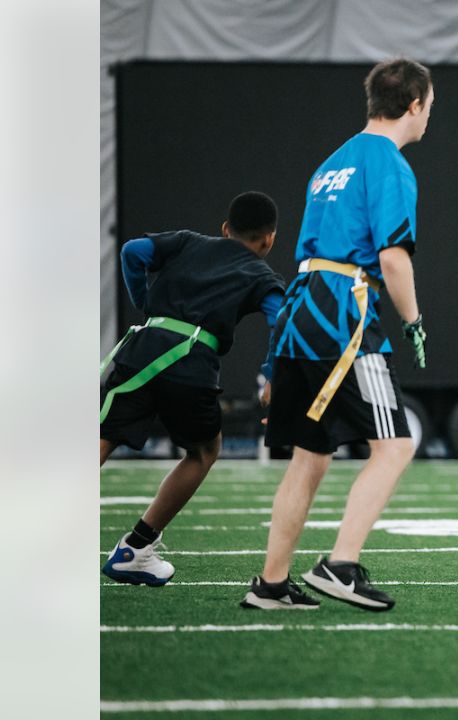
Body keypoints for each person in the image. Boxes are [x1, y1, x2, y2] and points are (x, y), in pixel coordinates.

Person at [241, 58, 433, 611]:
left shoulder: (331, 162)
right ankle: (340, 566)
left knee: (310, 455)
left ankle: (272, 585)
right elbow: (392, 258)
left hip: (300, 311)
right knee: (395, 445)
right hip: (343, 315)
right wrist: (414, 320)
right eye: (429, 107)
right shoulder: (389, 163)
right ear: (415, 104)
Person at [100, 191, 285, 586]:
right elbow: (281, 321)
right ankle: (135, 550)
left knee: (101, 438)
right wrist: (272, 374)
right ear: (269, 239)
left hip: (143, 351)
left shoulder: (188, 241)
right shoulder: (262, 274)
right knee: (203, 452)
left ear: (224, 229)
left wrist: (146, 302)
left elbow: (133, 251)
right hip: (192, 365)